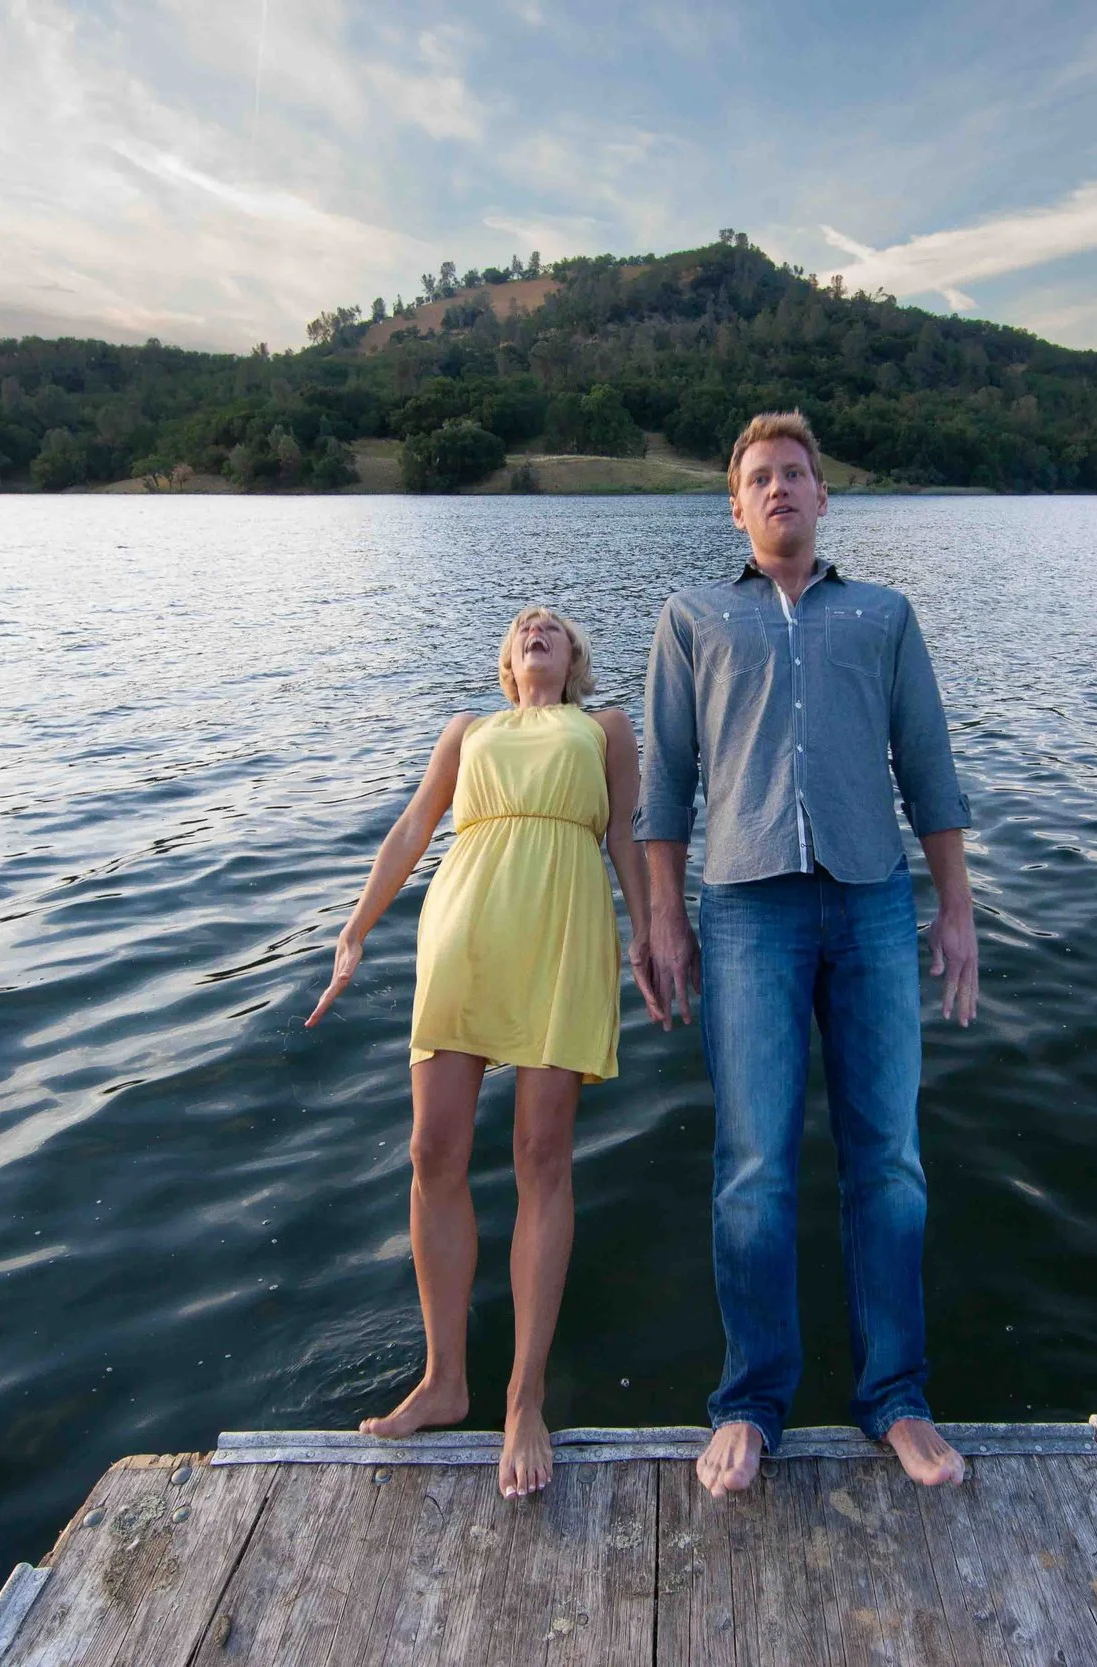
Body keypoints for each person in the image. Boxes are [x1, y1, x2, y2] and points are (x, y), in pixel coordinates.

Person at [635, 409, 979, 1500]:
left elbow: (927, 765)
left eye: (795, 473)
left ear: (824, 497)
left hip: (874, 903)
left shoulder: (883, 614)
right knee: (753, 1169)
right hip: (745, 912)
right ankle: (750, 1400)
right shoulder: (691, 617)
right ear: (734, 505)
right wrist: (660, 918)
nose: (779, 487)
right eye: (758, 477)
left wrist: (955, 907)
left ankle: (897, 1394)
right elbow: (662, 789)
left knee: (889, 1159)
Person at [309, 606, 657, 1499]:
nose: (537, 627)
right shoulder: (467, 731)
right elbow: (413, 827)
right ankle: (445, 1377)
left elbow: (625, 841)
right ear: (507, 660)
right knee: (433, 1151)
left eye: (555, 625)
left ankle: (523, 1392)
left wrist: (649, 938)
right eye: (522, 625)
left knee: (542, 1154)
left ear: (575, 657)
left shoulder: (605, 727)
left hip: (563, 928)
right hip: (464, 926)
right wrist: (354, 931)